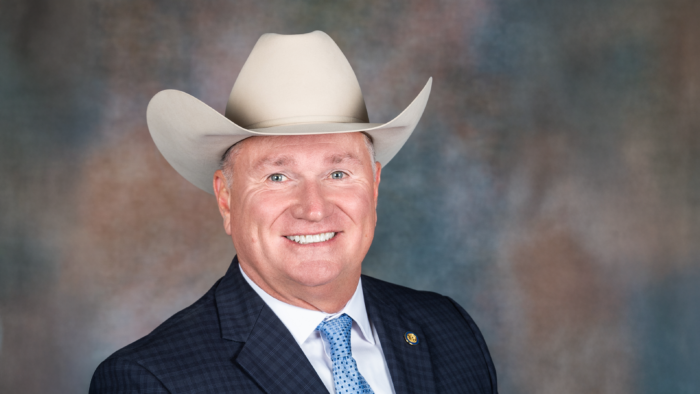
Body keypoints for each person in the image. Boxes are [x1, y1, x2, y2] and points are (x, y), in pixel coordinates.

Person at [90, 31, 497, 394]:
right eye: (278, 178)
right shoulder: (150, 381)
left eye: (338, 173)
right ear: (226, 199)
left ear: (373, 187)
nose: (314, 209)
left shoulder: (449, 331)